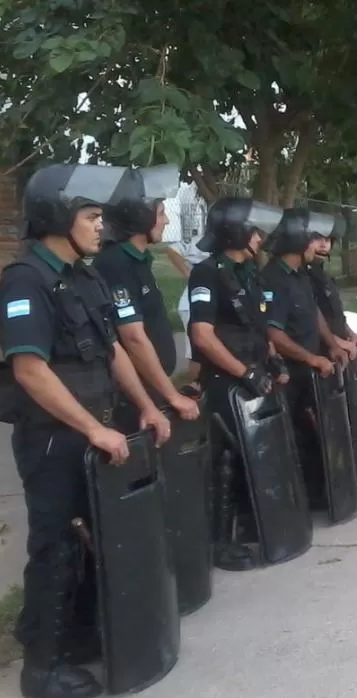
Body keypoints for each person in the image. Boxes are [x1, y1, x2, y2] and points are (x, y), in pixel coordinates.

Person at [0, 164, 171, 698]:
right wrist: (94, 428)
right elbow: (30, 370)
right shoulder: (25, 281)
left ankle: (74, 636)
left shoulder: (84, 275)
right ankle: (41, 669)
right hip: (53, 439)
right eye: (91, 216)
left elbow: (113, 350)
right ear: (56, 219)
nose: (101, 225)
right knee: (57, 547)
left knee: (94, 541)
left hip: (95, 431)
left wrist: (146, 406)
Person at [187, 197, 287, 571]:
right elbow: (202, 335)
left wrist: (272, 357)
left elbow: (259, 324)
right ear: (236, 231)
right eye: (254, 230)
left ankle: (250, 527)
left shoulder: (249, 272)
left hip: (255, 376)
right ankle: (220, 543)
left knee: (252, 455)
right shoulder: (208, 273)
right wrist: (243, 371)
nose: (260, 238)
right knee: (225, 460)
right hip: (225, 380)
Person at [92, 167, 200, 429]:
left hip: (152, 385)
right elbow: (133, 338)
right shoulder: (116, 262)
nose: (165, 221)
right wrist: (171, 395)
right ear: (140, 217)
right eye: (161, 213)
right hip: (133, 395)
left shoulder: (139, 260)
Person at [261, 209, 351, 514]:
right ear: (298, 242)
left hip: (310, 369)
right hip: (291, 373)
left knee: (313, 436)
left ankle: (316, 497)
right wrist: (312, 358)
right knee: (294, 439)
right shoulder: (273, 279)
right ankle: (297, 504)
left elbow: (313, 314)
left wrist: (331, 344)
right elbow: (273, 332)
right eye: (314, 240)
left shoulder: (301, 275)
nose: (319, 246)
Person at [308, 219, 357, 358]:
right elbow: (309, 319)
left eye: (328, 240)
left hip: (337, 352)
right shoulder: (302, 277)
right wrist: (335, 342)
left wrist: (350, 334)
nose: (323, 245)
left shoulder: (323, 276)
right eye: (318, 238)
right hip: (317, 352)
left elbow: (335, 315)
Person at [165, 231, 210, 388]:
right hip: (193, 303)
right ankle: (195, 388)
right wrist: (188, 273)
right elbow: (173, 249)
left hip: (211, 302)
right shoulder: (200, 242)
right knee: (198, 353)